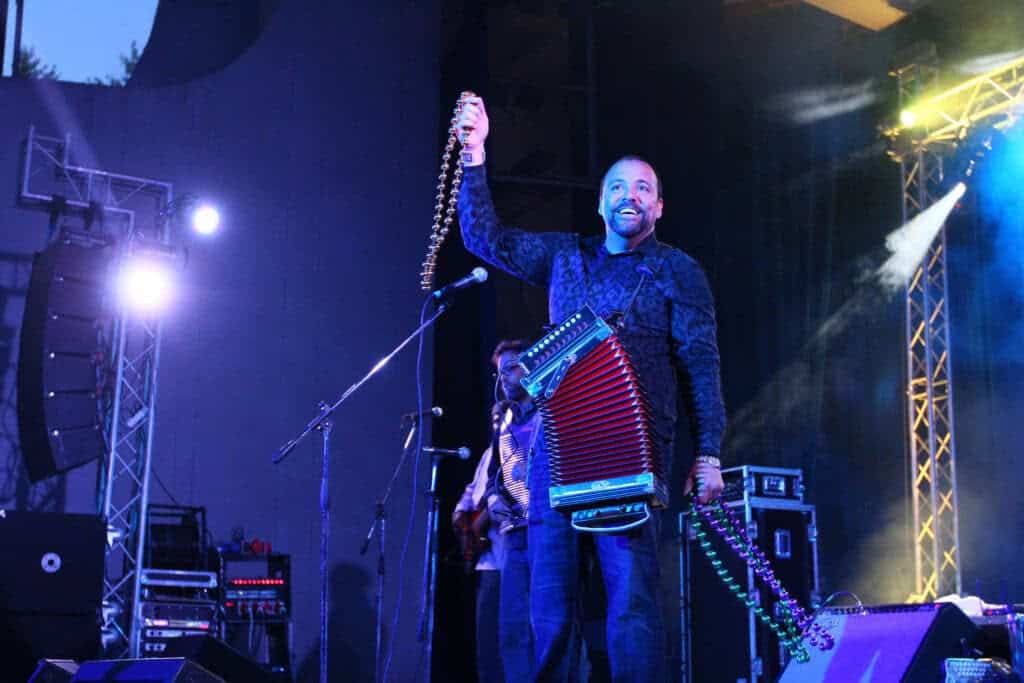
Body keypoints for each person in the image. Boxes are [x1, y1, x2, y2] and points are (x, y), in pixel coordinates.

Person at [455, 95, 727, 682]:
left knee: (631, 606)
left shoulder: (677, 271)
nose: (631, 195)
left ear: (659, 206)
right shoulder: (564, 257)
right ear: (602, 201)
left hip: (636, 451)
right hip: (555, 454)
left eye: (644, 188)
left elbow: (701, 364)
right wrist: (474, 153)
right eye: (619, 187)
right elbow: (485, 237)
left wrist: (708, 454)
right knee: (550, 610)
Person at [452, 443, 505, 682]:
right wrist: (461, 513)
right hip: (486, 561)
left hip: (507, 556)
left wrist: (481, 521)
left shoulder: (518, 444)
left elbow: (510, 491)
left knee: (508, 640)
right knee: (485, 643)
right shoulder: (488, 452)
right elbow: (473, 489)